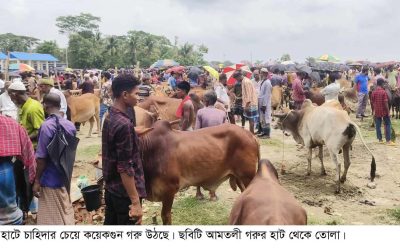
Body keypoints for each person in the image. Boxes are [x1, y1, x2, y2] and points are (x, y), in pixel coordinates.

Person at [102, 73, 145, 225]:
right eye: (136, 93)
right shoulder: (124, 125)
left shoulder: (110, 116)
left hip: (112, 189)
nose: (138, 97)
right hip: (124, 195)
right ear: (125, 95)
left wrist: (133, 133)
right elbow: (125, 167)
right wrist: (135, 202)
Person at [33, 94, 77, 224]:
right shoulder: (70, 125)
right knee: (64, 210)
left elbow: (41, 158)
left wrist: (37, 181)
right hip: (65, 175)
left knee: (50, 219)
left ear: (45, 105)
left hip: (49, 179)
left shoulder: (46, 126)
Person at [0, 115, 36, 225]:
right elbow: (28, 154)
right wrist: (33, 179)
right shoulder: (11, 123)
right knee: (11, 212)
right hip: (7, 170)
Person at [194, 90, 226, 200]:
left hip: (203, 144)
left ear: (206, 101)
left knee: (198, 167)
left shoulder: (200, 112)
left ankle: (198, 192)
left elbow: (196, 131)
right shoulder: (222, 113)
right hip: (217, 146)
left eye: (203, 99)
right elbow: (225, 131)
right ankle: (212, 193)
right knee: (215, 169)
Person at [8, 81, 45, 147]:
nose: (10, 99)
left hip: (33, 148)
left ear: (14, 94)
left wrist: (23, 139)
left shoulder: (33, 107)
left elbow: (40, 130)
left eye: (10, 95)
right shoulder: (23, 106)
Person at [371, 79, 395, 145]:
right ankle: (388, 140)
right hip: (384, 110)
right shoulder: (383, 92)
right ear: (382, 84)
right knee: (387, 124)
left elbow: (372, 102)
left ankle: (380, 139)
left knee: (378, 125)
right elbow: (385, 103)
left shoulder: (373, 92)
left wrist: (374, 110)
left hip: (377, 111)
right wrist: (388, 112)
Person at [257, 68, 272, 138]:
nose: (261, 74)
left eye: (262, 73)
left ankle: (267, 134)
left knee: (266, 118)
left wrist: (264, 105)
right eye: (261, 73)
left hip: (265, 104)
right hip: (261, 102)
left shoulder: (268, 83)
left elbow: (267, 95)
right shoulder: (263, 81)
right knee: (262, 118)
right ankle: (263, 132)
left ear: (266, 74)